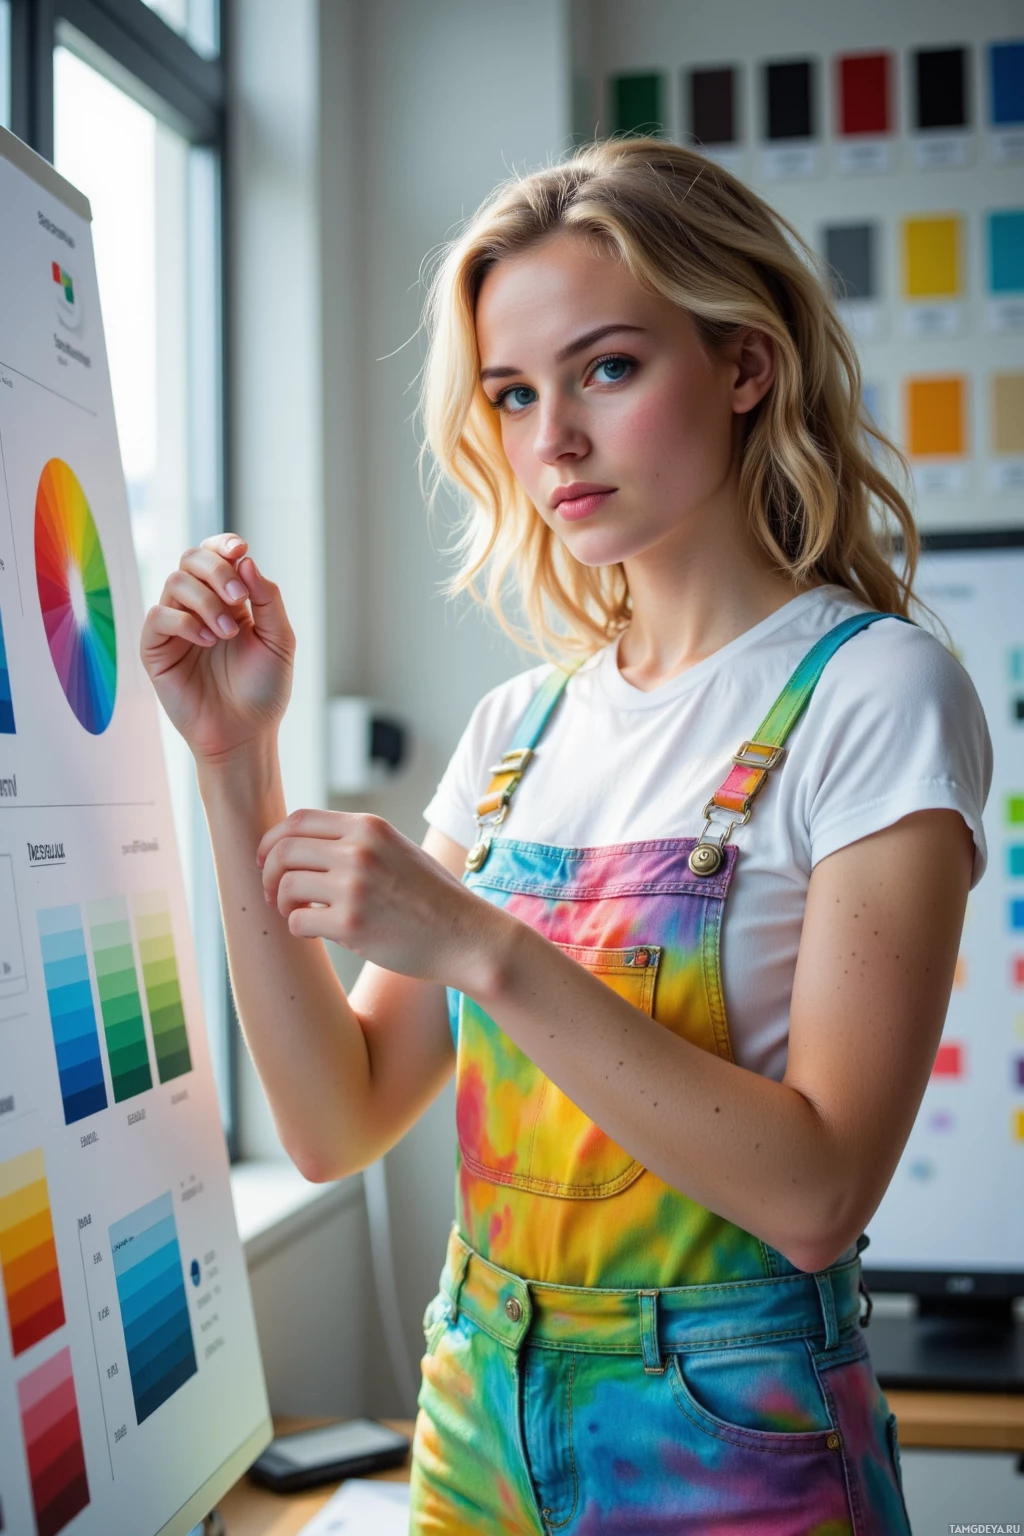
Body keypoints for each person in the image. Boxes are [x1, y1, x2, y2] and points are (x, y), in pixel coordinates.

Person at [141, 138, 991, 1533]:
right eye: (513, 394)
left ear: (743, 365)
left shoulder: (878, 693)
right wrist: (236, 771)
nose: (554, 443)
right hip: (475, 1417)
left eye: (607, 368)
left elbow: (819, 1194)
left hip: (732, 1442)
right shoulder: (512, 733)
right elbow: (332, 1120)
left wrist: (485, 941)